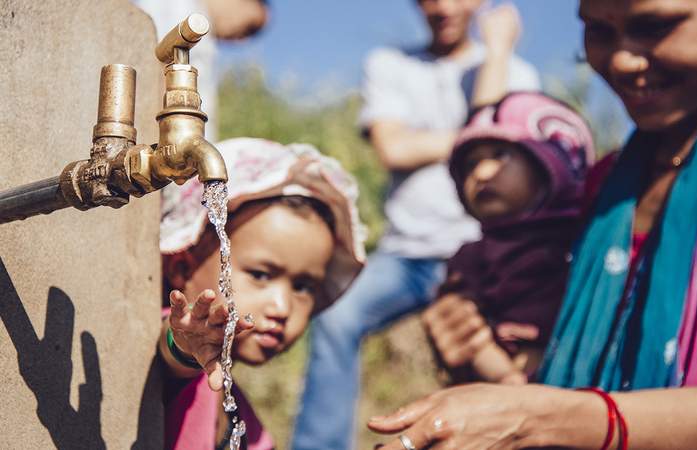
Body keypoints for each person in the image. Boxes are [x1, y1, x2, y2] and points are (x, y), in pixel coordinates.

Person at [369, 0, 697, 449]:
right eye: (599, 31)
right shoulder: (605, 185)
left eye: (654, 25)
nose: (622, 59)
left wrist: (530, 417)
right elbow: (563, 368)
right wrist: (469, 340)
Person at [291, 2, 541, 449]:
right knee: (335, 315)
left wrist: (497, 52)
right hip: (405, 253)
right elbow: (394, 149)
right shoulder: (389, 64)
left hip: (482, 253)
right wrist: (471, 138)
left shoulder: (515, 72)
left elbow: (495, 143)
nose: (442, 6)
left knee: (491, 356)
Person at [157, 138, 366, 450]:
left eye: (303, 287)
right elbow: (172, 350)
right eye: (260, 275)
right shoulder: (179, 346)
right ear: (183, 270)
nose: (282, 308)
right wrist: (186, 347)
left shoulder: (246, 427)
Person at [423, 91, 595, 386]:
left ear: (553, 163)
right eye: (470, 165)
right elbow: (468, 334)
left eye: (500, 155)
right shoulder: (474, 256)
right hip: (507, 383)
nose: (482, 173)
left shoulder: (591, 242)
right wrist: (507, 378)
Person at [133, 0, 270, 142]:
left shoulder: (203, 31)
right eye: (250, 28)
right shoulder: (178, 8)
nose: (243, 41)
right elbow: (150, 65)